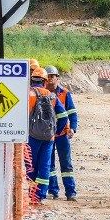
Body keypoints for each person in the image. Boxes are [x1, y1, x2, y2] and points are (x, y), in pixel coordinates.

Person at [27, 66, 66, 202]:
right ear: (44, 81)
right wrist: (55, 132)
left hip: (32, 136)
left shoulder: (29, 95)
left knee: (31, 165)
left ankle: (31, 194)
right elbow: (64, 116)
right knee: (45, 166)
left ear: (32, 80)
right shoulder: (52, 96)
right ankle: (41, 195)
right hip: (49, 138)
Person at [45, 66, 78, 201]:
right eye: (48, 77)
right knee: (50, 164)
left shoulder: (65, 93)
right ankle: (53, 191)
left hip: (63, 134)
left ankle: (70, 192)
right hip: (47, 135)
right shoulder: (42, 93)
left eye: (53, 76)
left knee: (66, 164)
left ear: (57, 78)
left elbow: (72, 113)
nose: (50, 79)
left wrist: (73, 128)